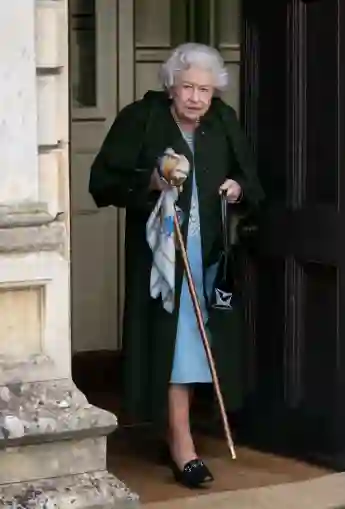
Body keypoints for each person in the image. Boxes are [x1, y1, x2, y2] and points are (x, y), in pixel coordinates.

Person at [89, 42, 264, 488]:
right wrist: (152, 179)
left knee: (203, 340)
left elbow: (252, 182)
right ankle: (182, 445)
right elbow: (102, 181)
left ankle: (181, 428)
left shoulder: (222, 120)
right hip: (164, 260)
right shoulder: (142, 118)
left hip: (210, 255)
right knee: (180, 341)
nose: (196, 99)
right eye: (188, 87)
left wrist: (236, 189)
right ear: (172, 85)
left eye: (205, 90)